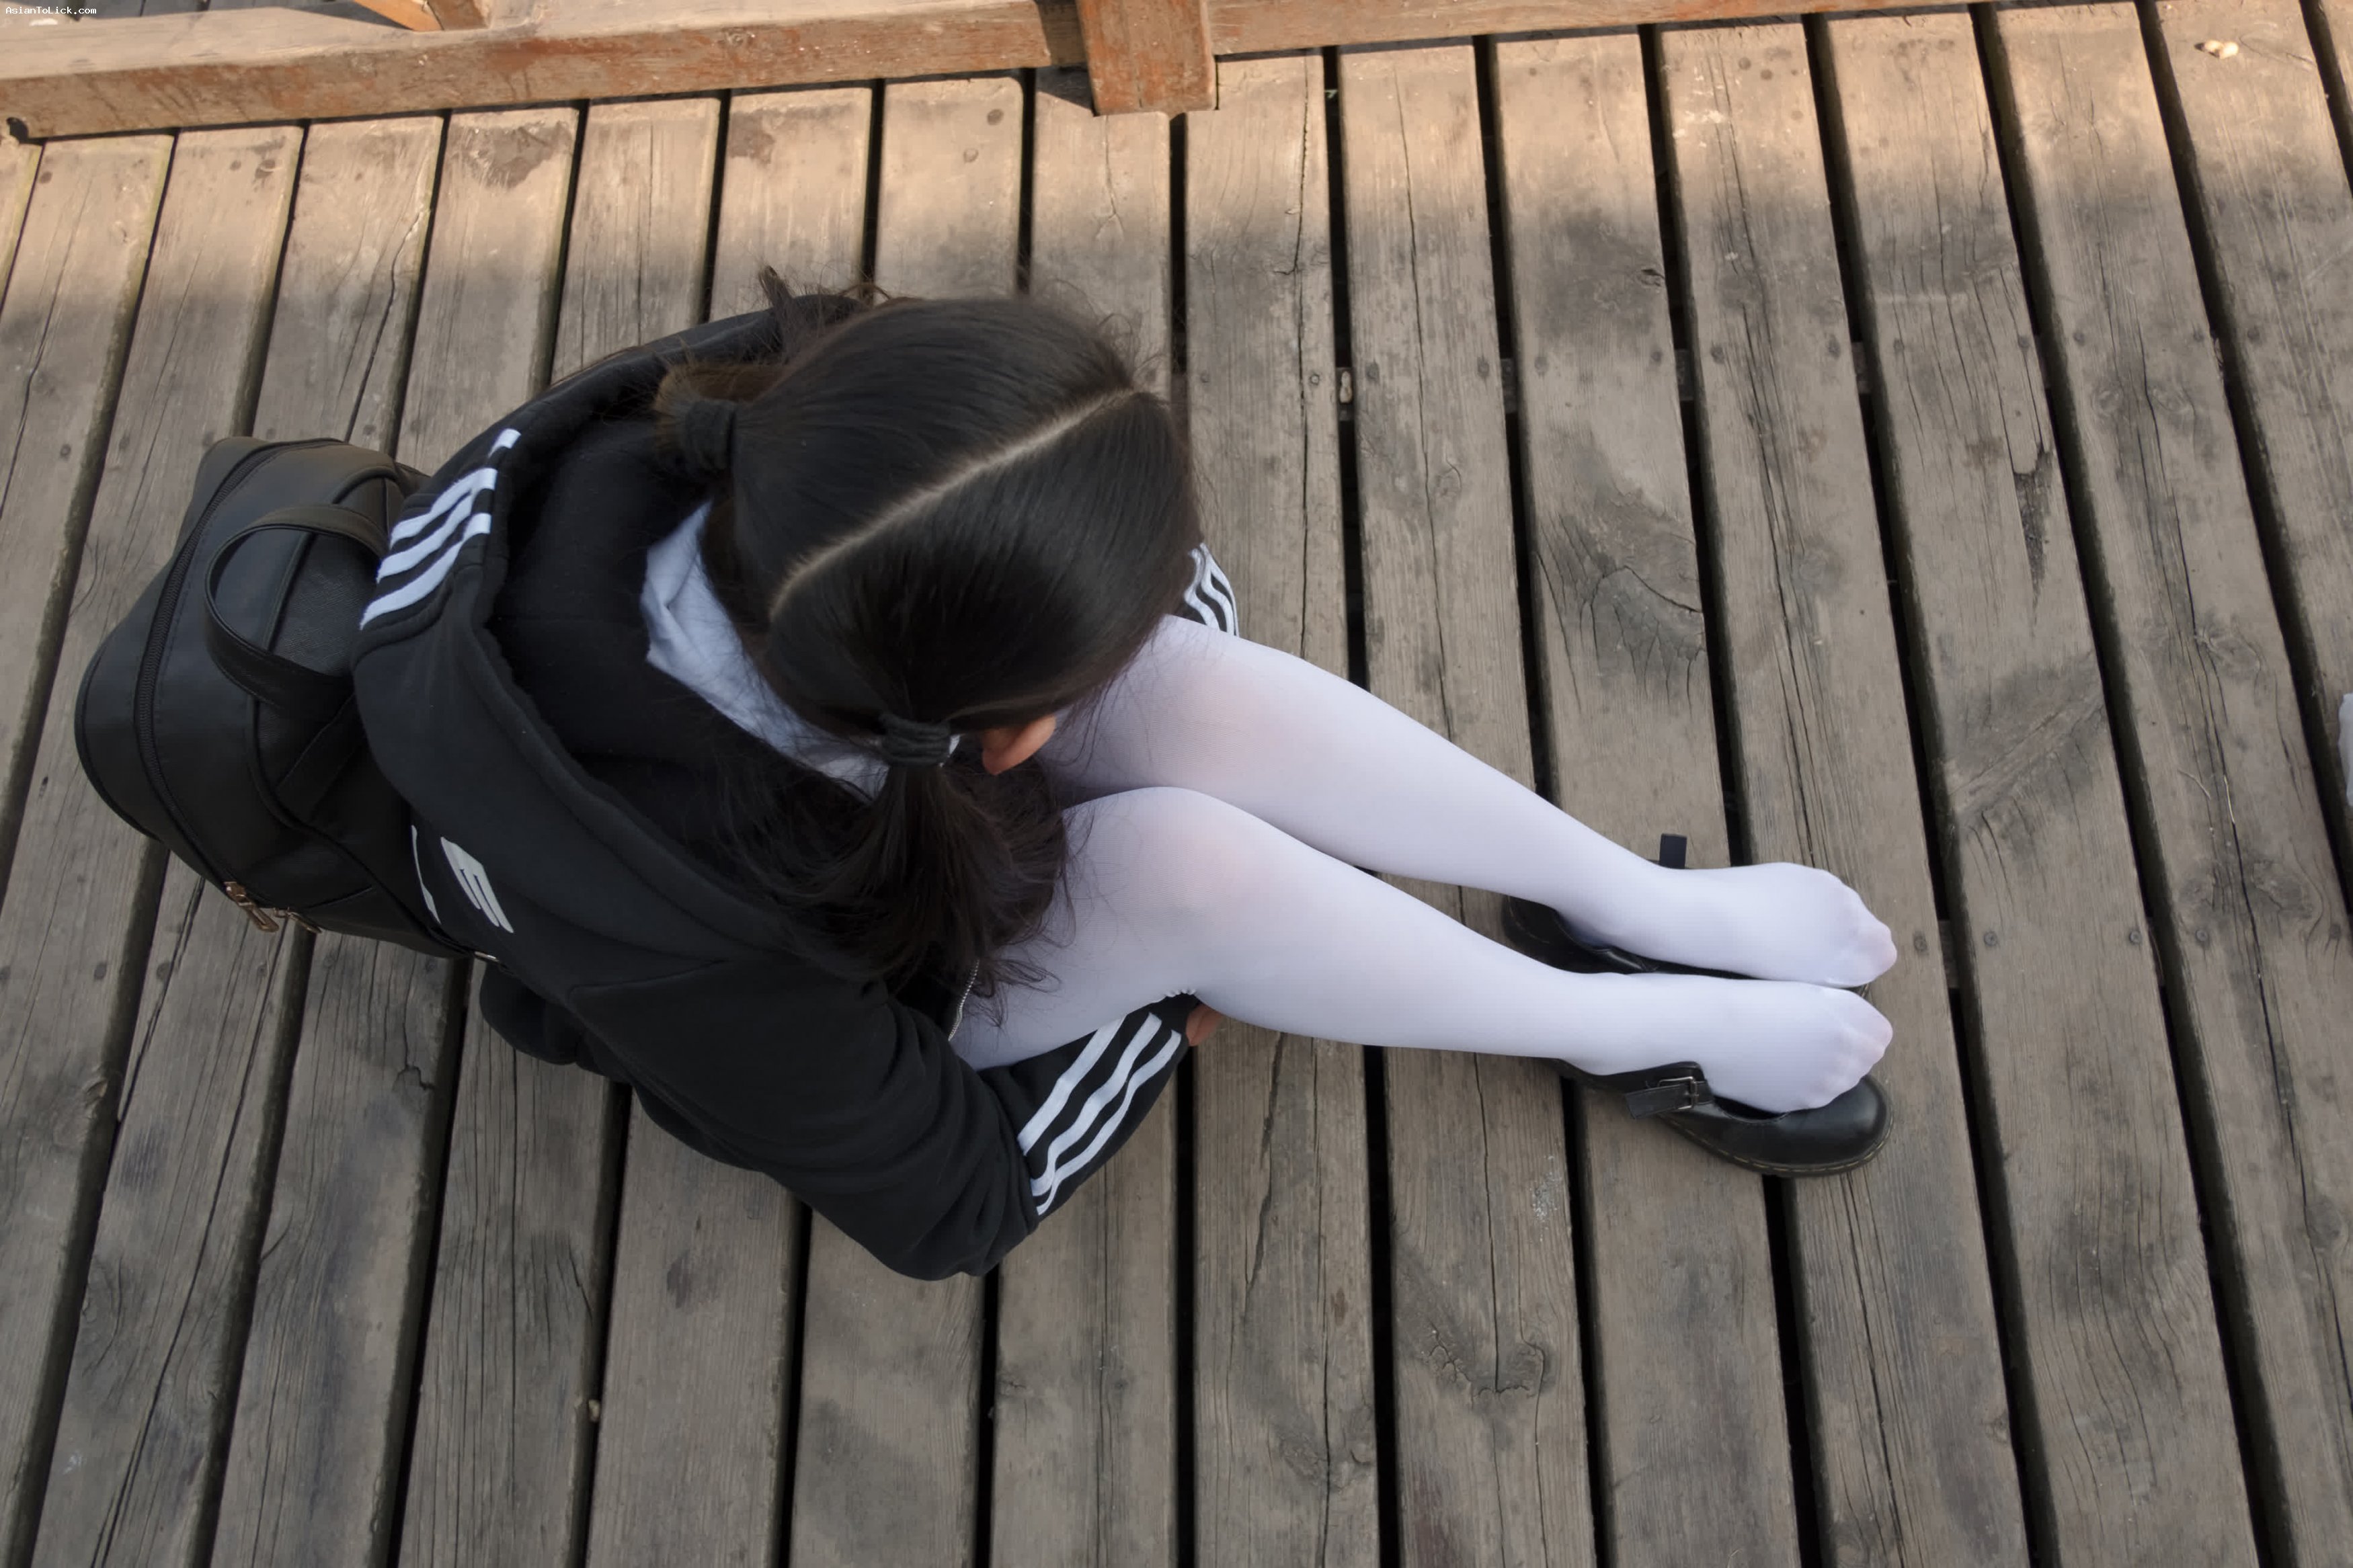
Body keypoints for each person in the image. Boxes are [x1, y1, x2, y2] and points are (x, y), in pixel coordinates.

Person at [350, 278, 1896, 1282]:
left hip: (834, 770)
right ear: (990, 742)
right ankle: (1628, 1024)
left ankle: (1630, 903)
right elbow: (951, 1202)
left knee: (1184, 682)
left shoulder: (818, 453)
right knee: (1184, 869)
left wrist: (1111, 651)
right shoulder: (684, 938)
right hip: (801, 961)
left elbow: (1167, 602)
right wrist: (1167, 1004)